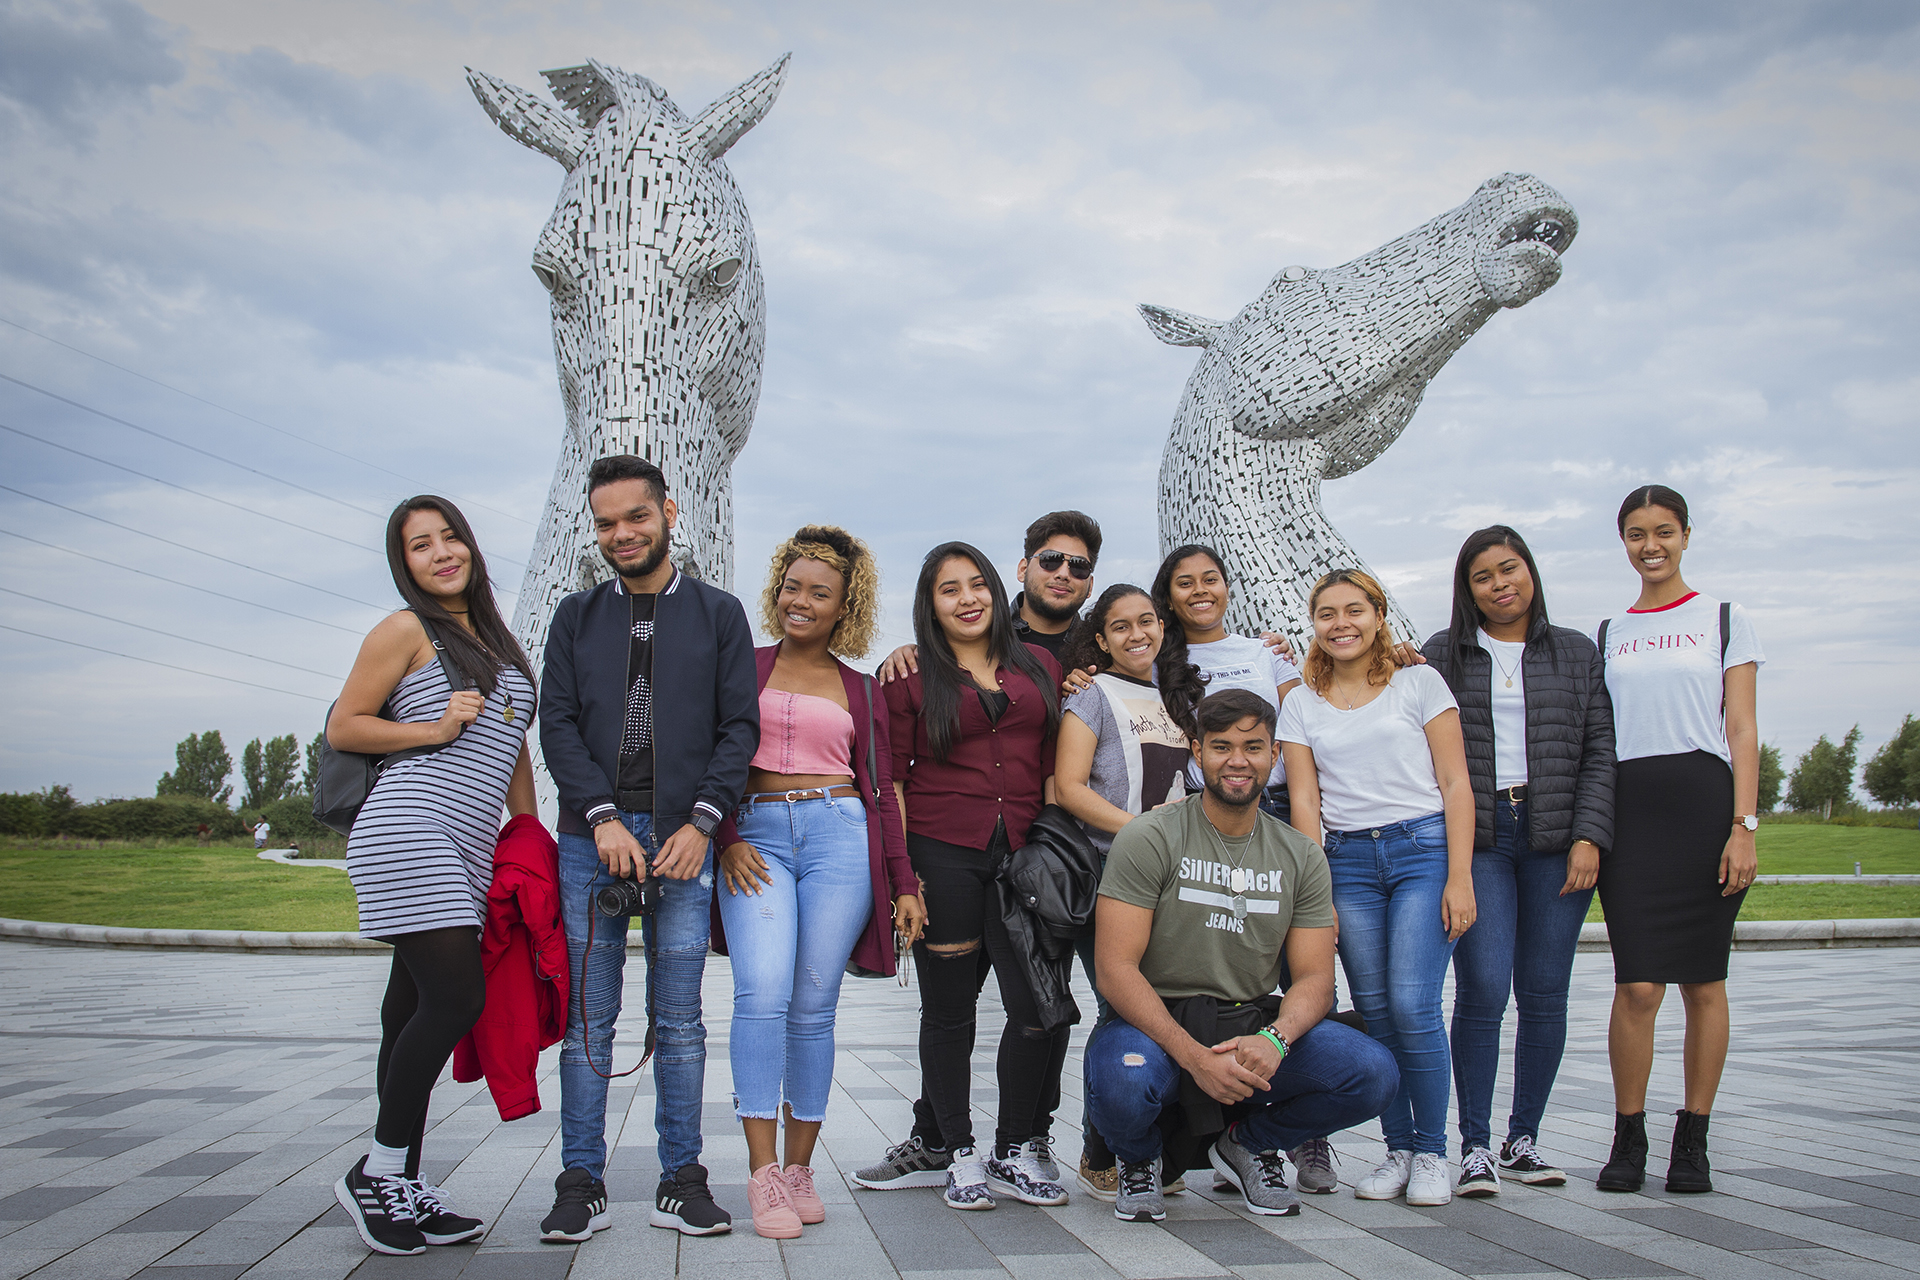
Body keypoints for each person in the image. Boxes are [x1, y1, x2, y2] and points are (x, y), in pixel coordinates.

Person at [537, 455, 758, 1242]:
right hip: (590, 840)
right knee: (590, 1019)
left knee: (680, 1017)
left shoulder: (719, 614)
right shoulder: (575, 616)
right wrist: (599, 817)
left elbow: (740, 729)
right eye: (605, 523)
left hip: (682, 841)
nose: (621, 534)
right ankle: (579, 1180)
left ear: (668, 511)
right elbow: (554, 723)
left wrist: (701, 825)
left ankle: (681, 1177)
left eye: (635, 517)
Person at [1086, 688, 1399, 1222]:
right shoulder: (1149, 836)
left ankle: (1250, 1144)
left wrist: (1274, 1040)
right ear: (1196, 752)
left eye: (1254, 747)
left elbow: (1316, 980)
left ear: (1274, 755)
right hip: (1156, 1021)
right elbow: (1114, 971)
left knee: (1372, 1073)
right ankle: (1140, 1162)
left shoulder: (1300, 854)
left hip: (1249, 1020)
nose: (1238, 760)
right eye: (1222, 746)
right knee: (1122, 1080)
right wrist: (1191, 1056)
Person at [328, 495, 538, 1256]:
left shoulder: (499, 642)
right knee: (456, 997)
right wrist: (432, 728)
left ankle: (402, 1183)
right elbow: (344, 724)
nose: (442, 552)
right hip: (410, 827)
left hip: (470, 841)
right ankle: (377, 1175)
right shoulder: (404, 630)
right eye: (421, 545)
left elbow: (513, 749)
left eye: (451, 537)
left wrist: (527, 836)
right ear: (405, 564)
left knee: (407, 1008)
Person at [711, 526, 927, 1238]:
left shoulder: (862, 691)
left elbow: (881, 790)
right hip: (757, 837)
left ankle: (801, 1170)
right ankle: (763, 1174)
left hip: (841, 839)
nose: (800, 601)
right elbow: (704, 759)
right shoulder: (740, 664)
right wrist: (729, 839)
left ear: (846, 606)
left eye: (819, 593)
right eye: (792, 586)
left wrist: (904, 884)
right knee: (761, 993)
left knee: (813, 1006)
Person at [851, 542, 1067, 1211]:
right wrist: (905, 878)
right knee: (950, 1013)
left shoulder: (1041, 666)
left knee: (1036, 1007)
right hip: (943, 851)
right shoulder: (909, 677)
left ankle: (1012, 1147)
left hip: (1027, 858)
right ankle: (957, 1152)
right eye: (950, 589)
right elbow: (890, 779)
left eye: (978, 584)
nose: (968, 598)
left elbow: (1056, 759)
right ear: (931, 604)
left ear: (998, 592)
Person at [1420, 527, 1614, 1197]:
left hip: (1556, 838)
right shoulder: (1441, 654)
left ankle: (1524, 1137)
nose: (1500, 584)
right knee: (1482, 989)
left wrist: (1590, 835)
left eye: (1511, 569)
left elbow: (1598, 752)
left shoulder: (1576, 653)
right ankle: (1473, 1146)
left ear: (1530, 572)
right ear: (1466, 588)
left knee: (1543, 992)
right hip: (1481, 841)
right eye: (1483, 575)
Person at [1278, 569, 1475, 1207]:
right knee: (1378, 1011)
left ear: (1378, 615)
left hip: (1422, 851)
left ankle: (1432, 1151)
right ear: (1314, 624)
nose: (1341, 623)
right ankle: (1397, 1150)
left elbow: (1455, 786)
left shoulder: (1420, 682)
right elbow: (1305, 800)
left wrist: (1460, 877)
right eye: (1327, 613)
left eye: (1354, 610)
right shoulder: (1301, 701)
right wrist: (1319, 894)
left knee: (1415, 1004)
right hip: (1348, 862)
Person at [1592, 485, 1762, 1196]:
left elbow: (1743, 729)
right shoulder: (1607, 632)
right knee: (1636, 986)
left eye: (1663, 531)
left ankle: (1692, 1140)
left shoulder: (1724, 618)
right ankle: (1627, 1137)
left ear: (1687, 535)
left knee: (1703, 981)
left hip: (1703, 806)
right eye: (1636, 533)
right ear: (1624, 541)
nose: (1650, 545)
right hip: (1629, 812)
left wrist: (1743, 826)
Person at [1052, 583, 1206, 1199]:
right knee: (1121, 1006)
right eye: (1120, 627)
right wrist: (1145, 832)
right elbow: (1070, 787)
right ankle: (1102, 1150)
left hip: (1176, 881)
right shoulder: (1090, 696)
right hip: (1112, 873)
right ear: (1101, 638)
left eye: (1147, 622)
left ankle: (1153, 1143)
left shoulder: (1180, 699)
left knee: (1164, 1005)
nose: (1137, 635)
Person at [1151, 546, 1303, 822]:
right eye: (1186, 584)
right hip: (1204, 809)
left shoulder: (1269, 651)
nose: (1200, 590)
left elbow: (1302, 731)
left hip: (1280, 805)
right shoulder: (1156, 666)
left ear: (1226, 589)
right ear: (1170, 600)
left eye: (1210, 580)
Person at [877, 510, 1101, 675]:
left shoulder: (1103, 651)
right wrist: (907, 657)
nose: (1063, 573)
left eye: (1079, 567)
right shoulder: (973, 632)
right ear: (1023, 569)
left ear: (1090, 585)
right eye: (1050, 560)